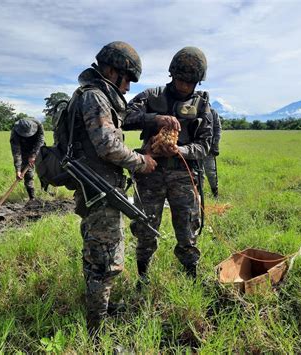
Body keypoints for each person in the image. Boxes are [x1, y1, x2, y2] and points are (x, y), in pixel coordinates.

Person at [69, 41, 157, 333]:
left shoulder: (93, 94)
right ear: (110, 70)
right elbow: (107, 146)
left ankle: (100, 308)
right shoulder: (95, 97)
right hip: (99, 189)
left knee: (97, 253)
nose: (129, 87)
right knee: (105, 260)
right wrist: (140, 161)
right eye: (127, 78)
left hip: (98, 185)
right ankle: (97, 327)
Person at [124, 46, 212, 282]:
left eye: (190, 81)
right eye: (181, 79)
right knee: (145, 228)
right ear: (172, 74)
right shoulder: (152, 96)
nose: (184, 85)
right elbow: (123, 117)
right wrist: (155, 119)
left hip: (184, 175)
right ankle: (142, 279)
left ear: (197, 82)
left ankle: (191, 278)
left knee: (187, 231)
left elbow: (204, 146)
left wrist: (180, 149)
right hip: (150, 172)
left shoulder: (202, 106)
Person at [10, 118, 45, 200]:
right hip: (24, 149)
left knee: (44, 169)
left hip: (37, 147)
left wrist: (34, 155)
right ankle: (32, 197)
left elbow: (40, 141)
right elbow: (16, 153)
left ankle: (45, 189)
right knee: (28, 174)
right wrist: (18, 170)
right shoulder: (15, 132)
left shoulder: (38, 125)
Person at [202, 108, 222, 198]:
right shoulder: (193, 110)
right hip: (195, 148)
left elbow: (217, 130)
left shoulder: (213, 112)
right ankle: (198, 195)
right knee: (197, 173)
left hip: (209, 148)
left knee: (211, 172)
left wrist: (215, 145)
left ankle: (215, 193)